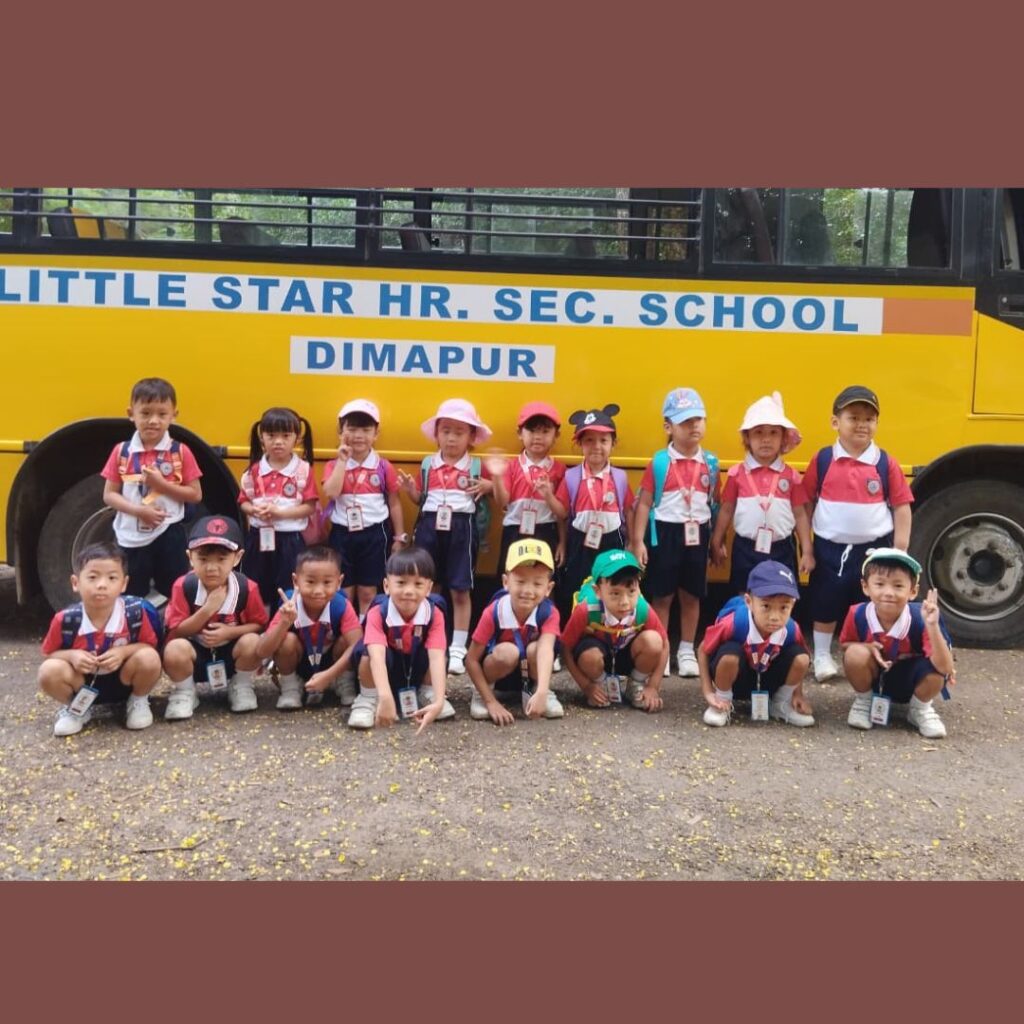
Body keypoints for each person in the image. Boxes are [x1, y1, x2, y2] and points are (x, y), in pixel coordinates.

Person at [802, 386, 914, 682]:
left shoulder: (884, 463)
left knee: (869, 602)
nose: (862, 424)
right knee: (825, 599)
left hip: (874, 548)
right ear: (835, 422)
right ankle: (822, 655)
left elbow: (902, 507)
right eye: (853, 417)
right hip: (830, 547)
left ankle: (868, 655)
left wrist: (900, 551)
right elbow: (806, 502)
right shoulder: (823, 460)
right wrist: (808, 547)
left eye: (869, 418)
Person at [399, 398, 494, 675]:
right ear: (437, 434)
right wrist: (411, 491)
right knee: (429, 585)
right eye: (446, 431)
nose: (451, 438)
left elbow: (498, 494)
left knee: (460, 589)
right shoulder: (428, 464)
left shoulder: (476, 466)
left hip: (462, 529)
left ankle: (458, 648)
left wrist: (489, 485)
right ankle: (431, 640)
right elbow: (421, 499)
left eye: (459, 432)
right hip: (430, 527)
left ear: (472, 437)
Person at [630, 387, 719, 679]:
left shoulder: (711, 463)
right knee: (662, 596)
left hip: (697, 535)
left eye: (698, 419)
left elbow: (714, 503)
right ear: (668, 427)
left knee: (692, 596)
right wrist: (637, 542)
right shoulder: (660, 462)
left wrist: (717, 541)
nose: (694, 426)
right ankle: (663, 648)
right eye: (685, 421)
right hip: (665, 535)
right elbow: (644, 503)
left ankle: (687, 649)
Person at [38, 542, 163, 737]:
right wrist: (71, 656)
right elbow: (48, 654)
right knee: (49, 670)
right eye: (92, 577)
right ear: (75, 582)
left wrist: (123, 652)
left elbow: (150, 645)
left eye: (112, 578)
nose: (102, 585)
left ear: (124, 583)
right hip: (82, 682)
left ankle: (138, 700)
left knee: (149, 658)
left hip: (124, 679)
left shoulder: (134, 613)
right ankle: (76, 709)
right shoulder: (66, 619)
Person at [100, 377, 203, 598]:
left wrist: (162, 486)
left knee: (177, 591)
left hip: (169, 532)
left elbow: (195, 494)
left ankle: (174, 621)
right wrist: (139, 511)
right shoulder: (122, 452)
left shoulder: (180, 452)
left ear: (174, 415)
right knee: (131, 593)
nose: (153, 421)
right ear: (131, 414)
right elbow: (109, 495)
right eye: (145, 413)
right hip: (130, 534)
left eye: (162, 414)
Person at [840, 548, 955, 739]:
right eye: (879, 584)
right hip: (875, 678)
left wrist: (932, 626)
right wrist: (866, 647)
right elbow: (845, 644)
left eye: (898, 586)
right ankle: (864, 701)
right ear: (865, 587)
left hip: (911, 680)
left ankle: (919, 709)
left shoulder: (921, 618)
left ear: (913, 591)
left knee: (935, 669)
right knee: (854, 653)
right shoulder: (857, 613)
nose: (888, 593)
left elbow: (945, 667)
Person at [162, 516, 269, 720]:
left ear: (237, 558)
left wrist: (230, 632)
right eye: (203, 559)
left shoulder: (247, 588)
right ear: (190, 557)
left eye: (221, 559)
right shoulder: (183, 586)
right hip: (196, 655)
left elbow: (259, 624)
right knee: (174, 649)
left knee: (253, 642)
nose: (212, 568)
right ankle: (185, 691)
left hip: (231, 655)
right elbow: (177, 630)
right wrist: (207, 609)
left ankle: (241, 685)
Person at [710, 392, 814, 593]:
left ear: (783, 438)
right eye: (758, 432)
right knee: (744, 597)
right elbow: (726, 509)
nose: (766, 439)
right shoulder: (736, 474)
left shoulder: (791, 476)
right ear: (747, 438)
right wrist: (716, 541)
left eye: (773, 432)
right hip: (746, 549)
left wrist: (807, 551)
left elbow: (800, 515)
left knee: (782, 596)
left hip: (782, 549)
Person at [347, 547, 454, 732]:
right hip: (388, 666)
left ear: (429, 588)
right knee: (366, 654)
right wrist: (385, 697)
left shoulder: (435, 613)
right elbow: (377, 657)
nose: (409, 591)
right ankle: (368, 698)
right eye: (401, 582)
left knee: (441, 652)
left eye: (418, 584)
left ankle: (428, 692)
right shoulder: (377, 612)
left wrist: (438, 701)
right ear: (387, 586)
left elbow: (436, 657)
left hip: (415, 665)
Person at [697, 560, 815, 728]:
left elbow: (799, 661)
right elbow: (703, 650)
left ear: (793, 604)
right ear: (749, 602)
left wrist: (798, 694)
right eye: (766, 606)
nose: (775, 617)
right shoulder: (734, 623)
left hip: (767, 681)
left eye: (783, 608)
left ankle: (780, 704)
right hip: (736, 680)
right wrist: (708, 692)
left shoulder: (791, 628)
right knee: (730, 654)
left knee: (802, 657)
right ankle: (721, 702)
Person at [321, 398, 407, 619]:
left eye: (366, 430)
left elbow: (394, 502)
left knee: (368, 590)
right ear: (341, 432)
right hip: (342, 533)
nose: (359, 435)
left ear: (376, 434)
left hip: (375, 533)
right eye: (352, 429)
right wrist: (342, 461)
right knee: (344, 589)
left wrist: (399, 537)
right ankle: (346, 628)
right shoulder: (333, 465)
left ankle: (366, 629)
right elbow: (331, 492)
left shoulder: (383, 466)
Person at [465, 538, 563, 725]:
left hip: (532, 673)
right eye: (520, 581)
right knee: (508, 652)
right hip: (498, 672)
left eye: (537, 584)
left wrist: (542, 690)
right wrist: (490, 702)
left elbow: (546, 649)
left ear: (548, 588)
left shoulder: (549, 612)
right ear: (505, 582)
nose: (528, 590)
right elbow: (471, 660)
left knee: (536, 649)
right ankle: (483, 692)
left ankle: (540, 691)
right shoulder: (494, 611)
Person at [551, 404, 634, 624]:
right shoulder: (571, 477)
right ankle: (572, 633)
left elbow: (629, 510)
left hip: (612, 541)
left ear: (613, 443)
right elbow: (562, 514)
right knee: (575, 587)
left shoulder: (619, 477)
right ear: (579, 444)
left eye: (603, 440)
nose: (596, 446)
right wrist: (562, 543)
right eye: (589, 440)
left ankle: (608, 631)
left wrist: (633, 543)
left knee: (612, 586)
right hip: (580, 542)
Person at [255, 546, 363, 711]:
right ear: (296, 581)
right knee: (287, 640)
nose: (318, 591)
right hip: (298, 662)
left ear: (339, 582)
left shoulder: (341, 606)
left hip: (332, 663)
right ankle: (290, 687)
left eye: (327, 582)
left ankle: (344, 682)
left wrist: (330, 675)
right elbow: (261, 651)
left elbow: (358, 646)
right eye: (310, 582)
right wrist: (284, 623)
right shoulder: (289, 606)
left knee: (346, 641)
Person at [561, 549, 668, 712]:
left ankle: (636, 684)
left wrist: (653, 686)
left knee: (653, 641)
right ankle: (600, 685)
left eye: (631, 591)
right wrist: (586, 686)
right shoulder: (586, 609)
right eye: (615, 593)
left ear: (638, 588)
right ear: (598, 591)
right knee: (589, 656)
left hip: (626, 655)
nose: (624, 602)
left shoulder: (642, 608)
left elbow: (665, 644)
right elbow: (565, 647)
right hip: (598, 657)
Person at [238, 406, 318, 609]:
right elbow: (243, 501)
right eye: (271, 435)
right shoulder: (253, 471)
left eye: (285, 435)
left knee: (288, 586)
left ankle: (283, 622)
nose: (278, 441)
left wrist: (279, 513)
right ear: (261, 437)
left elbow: (309, 507)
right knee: (256, 583)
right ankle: (259, 620)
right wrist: (253, 510)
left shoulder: (303, 470)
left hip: (290, 539)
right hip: (258, 536)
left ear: (297, 438)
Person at [489, 401, 567, 575]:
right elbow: (502, 501)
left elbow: (562, 514)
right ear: (520, 433)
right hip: (515, 530)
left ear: (556, 435)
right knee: (511, 576)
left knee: (544, 577)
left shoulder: (559, 469)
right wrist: (496, 476)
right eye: (532, 431)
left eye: (545, 431)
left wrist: (562, 542)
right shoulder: (511, 466)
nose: (538, 437)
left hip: (546, 530)